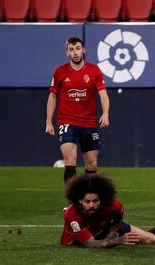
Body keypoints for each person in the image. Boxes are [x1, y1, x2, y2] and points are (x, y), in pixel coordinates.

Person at [61, 173, 155, 248]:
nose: (92, 205)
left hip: (106, 230)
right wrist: (117, 240)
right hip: (82, 240)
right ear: (79, 200)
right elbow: (89, 244)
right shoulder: (72, 215)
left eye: (95, 201)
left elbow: (119, 217)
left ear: (101, 199)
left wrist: (111, 234)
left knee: (151, 240)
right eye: (87, 201)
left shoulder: (113, 205)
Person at [45, 37, 110, 184]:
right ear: (67, 52)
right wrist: (49, 121)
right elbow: (53, 96)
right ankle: (72, 202)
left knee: (92, 164)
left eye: (78, 48)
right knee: (70, 160)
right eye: (71, 49)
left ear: (84, 50)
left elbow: (103, 95)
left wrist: (105, 113)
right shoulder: (59, 72)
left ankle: (89, 199)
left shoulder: (94, 70)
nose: (75, 52)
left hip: (89, 122)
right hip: (67, 121)